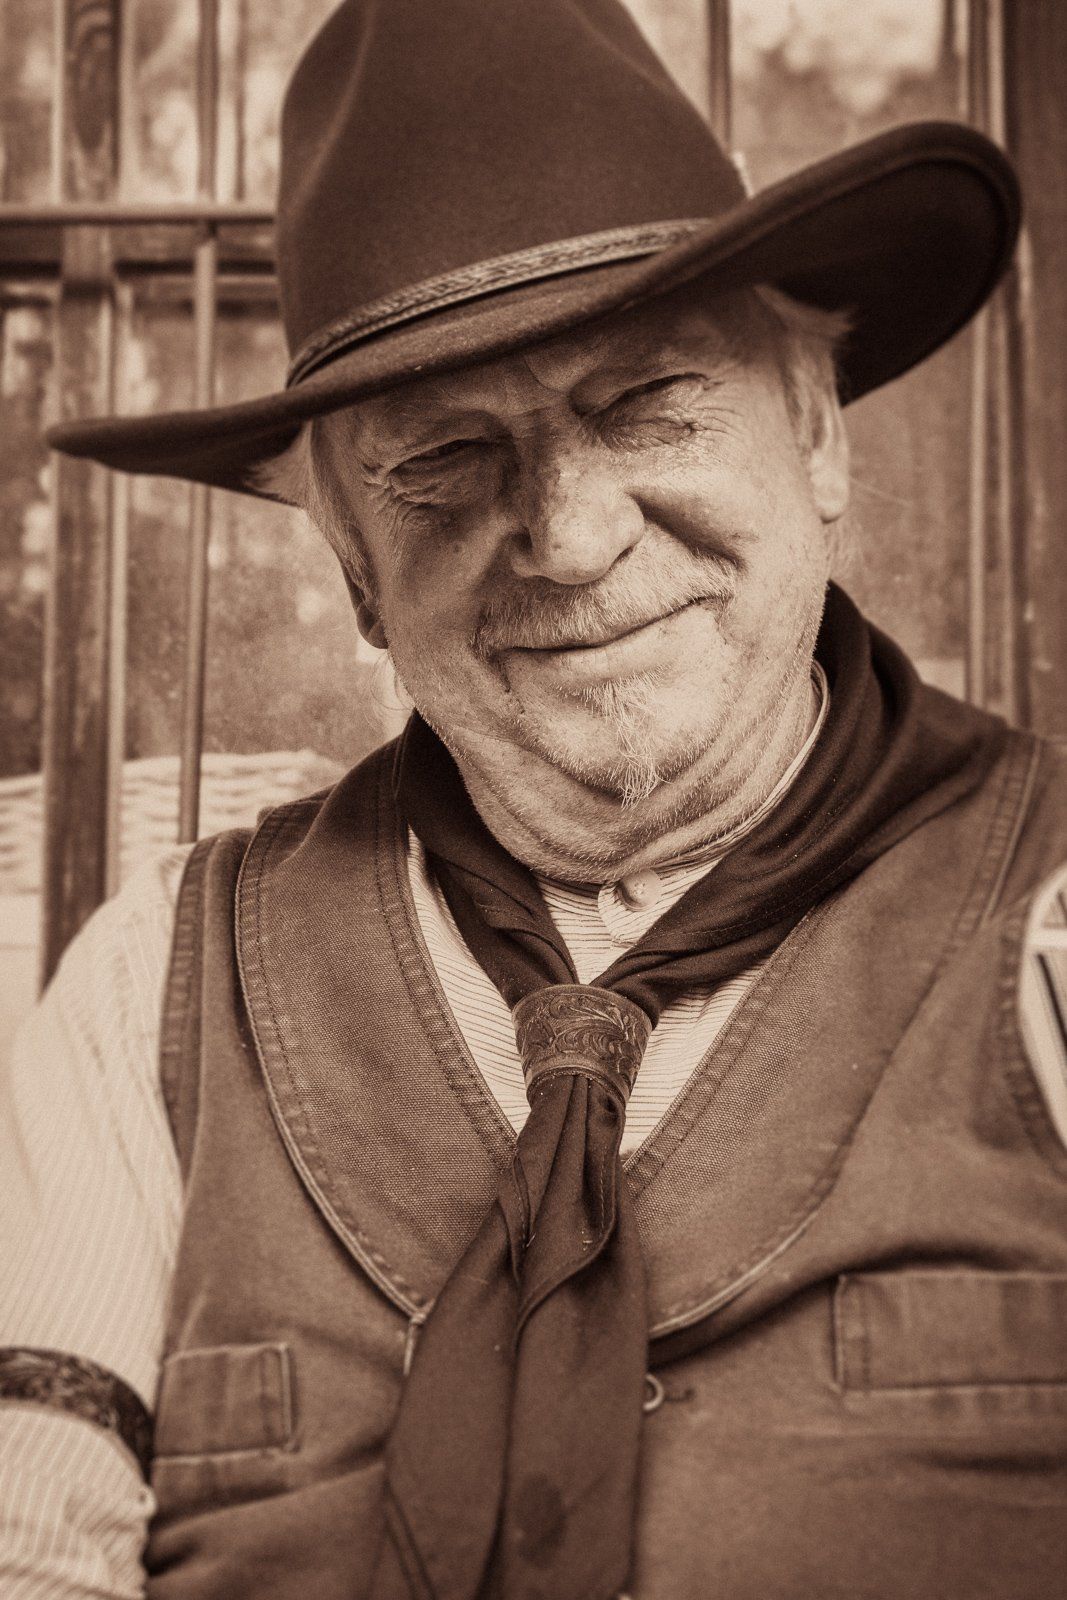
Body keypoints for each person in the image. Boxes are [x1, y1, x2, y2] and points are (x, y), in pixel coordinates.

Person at [3, 0, 1066, 1596]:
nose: (570, 537)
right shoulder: (149, 990)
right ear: (356, 572)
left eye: (648, 402)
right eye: (442, 459)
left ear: (816, 435)